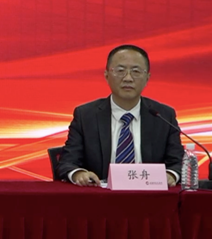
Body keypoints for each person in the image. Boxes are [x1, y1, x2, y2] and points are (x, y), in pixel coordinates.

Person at [56, 44, 183, 187]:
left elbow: (178, 161)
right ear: (106, 75)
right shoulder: (85, 116)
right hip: (100, 196)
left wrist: (171, 175)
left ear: (147, 78)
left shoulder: (163, 116)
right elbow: (67, 162)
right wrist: (79, 174)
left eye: (136, 71)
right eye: (120, 71)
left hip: (150, 196)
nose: (128, 78)